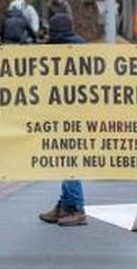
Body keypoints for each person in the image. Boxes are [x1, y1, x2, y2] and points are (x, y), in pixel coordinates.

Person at [39, 12, 88, 227]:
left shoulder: (59, 52)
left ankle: (76, 207)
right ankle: (65, 203)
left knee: (69, 157)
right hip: (71, 110)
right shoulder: (80, 49)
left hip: (70, 112)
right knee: (65, 156)